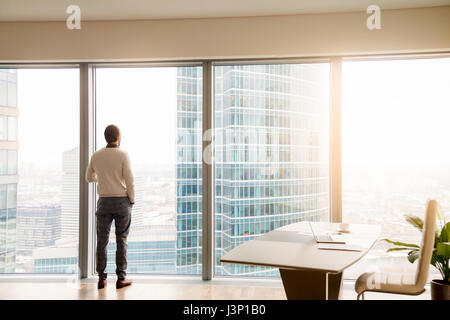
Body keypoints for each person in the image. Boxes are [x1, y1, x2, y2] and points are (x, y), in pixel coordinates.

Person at [86, 124, 134, 289]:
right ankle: (121, 279)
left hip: (104, 202)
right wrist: (132, 200)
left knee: (102, 241)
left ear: (105, 137)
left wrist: (103, 178)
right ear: (118, 137)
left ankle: (101, 278)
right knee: (122, 240)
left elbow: (88, 177)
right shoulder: (123, 155)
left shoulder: (96, 156)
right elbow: (129, 180)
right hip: (121, 202)